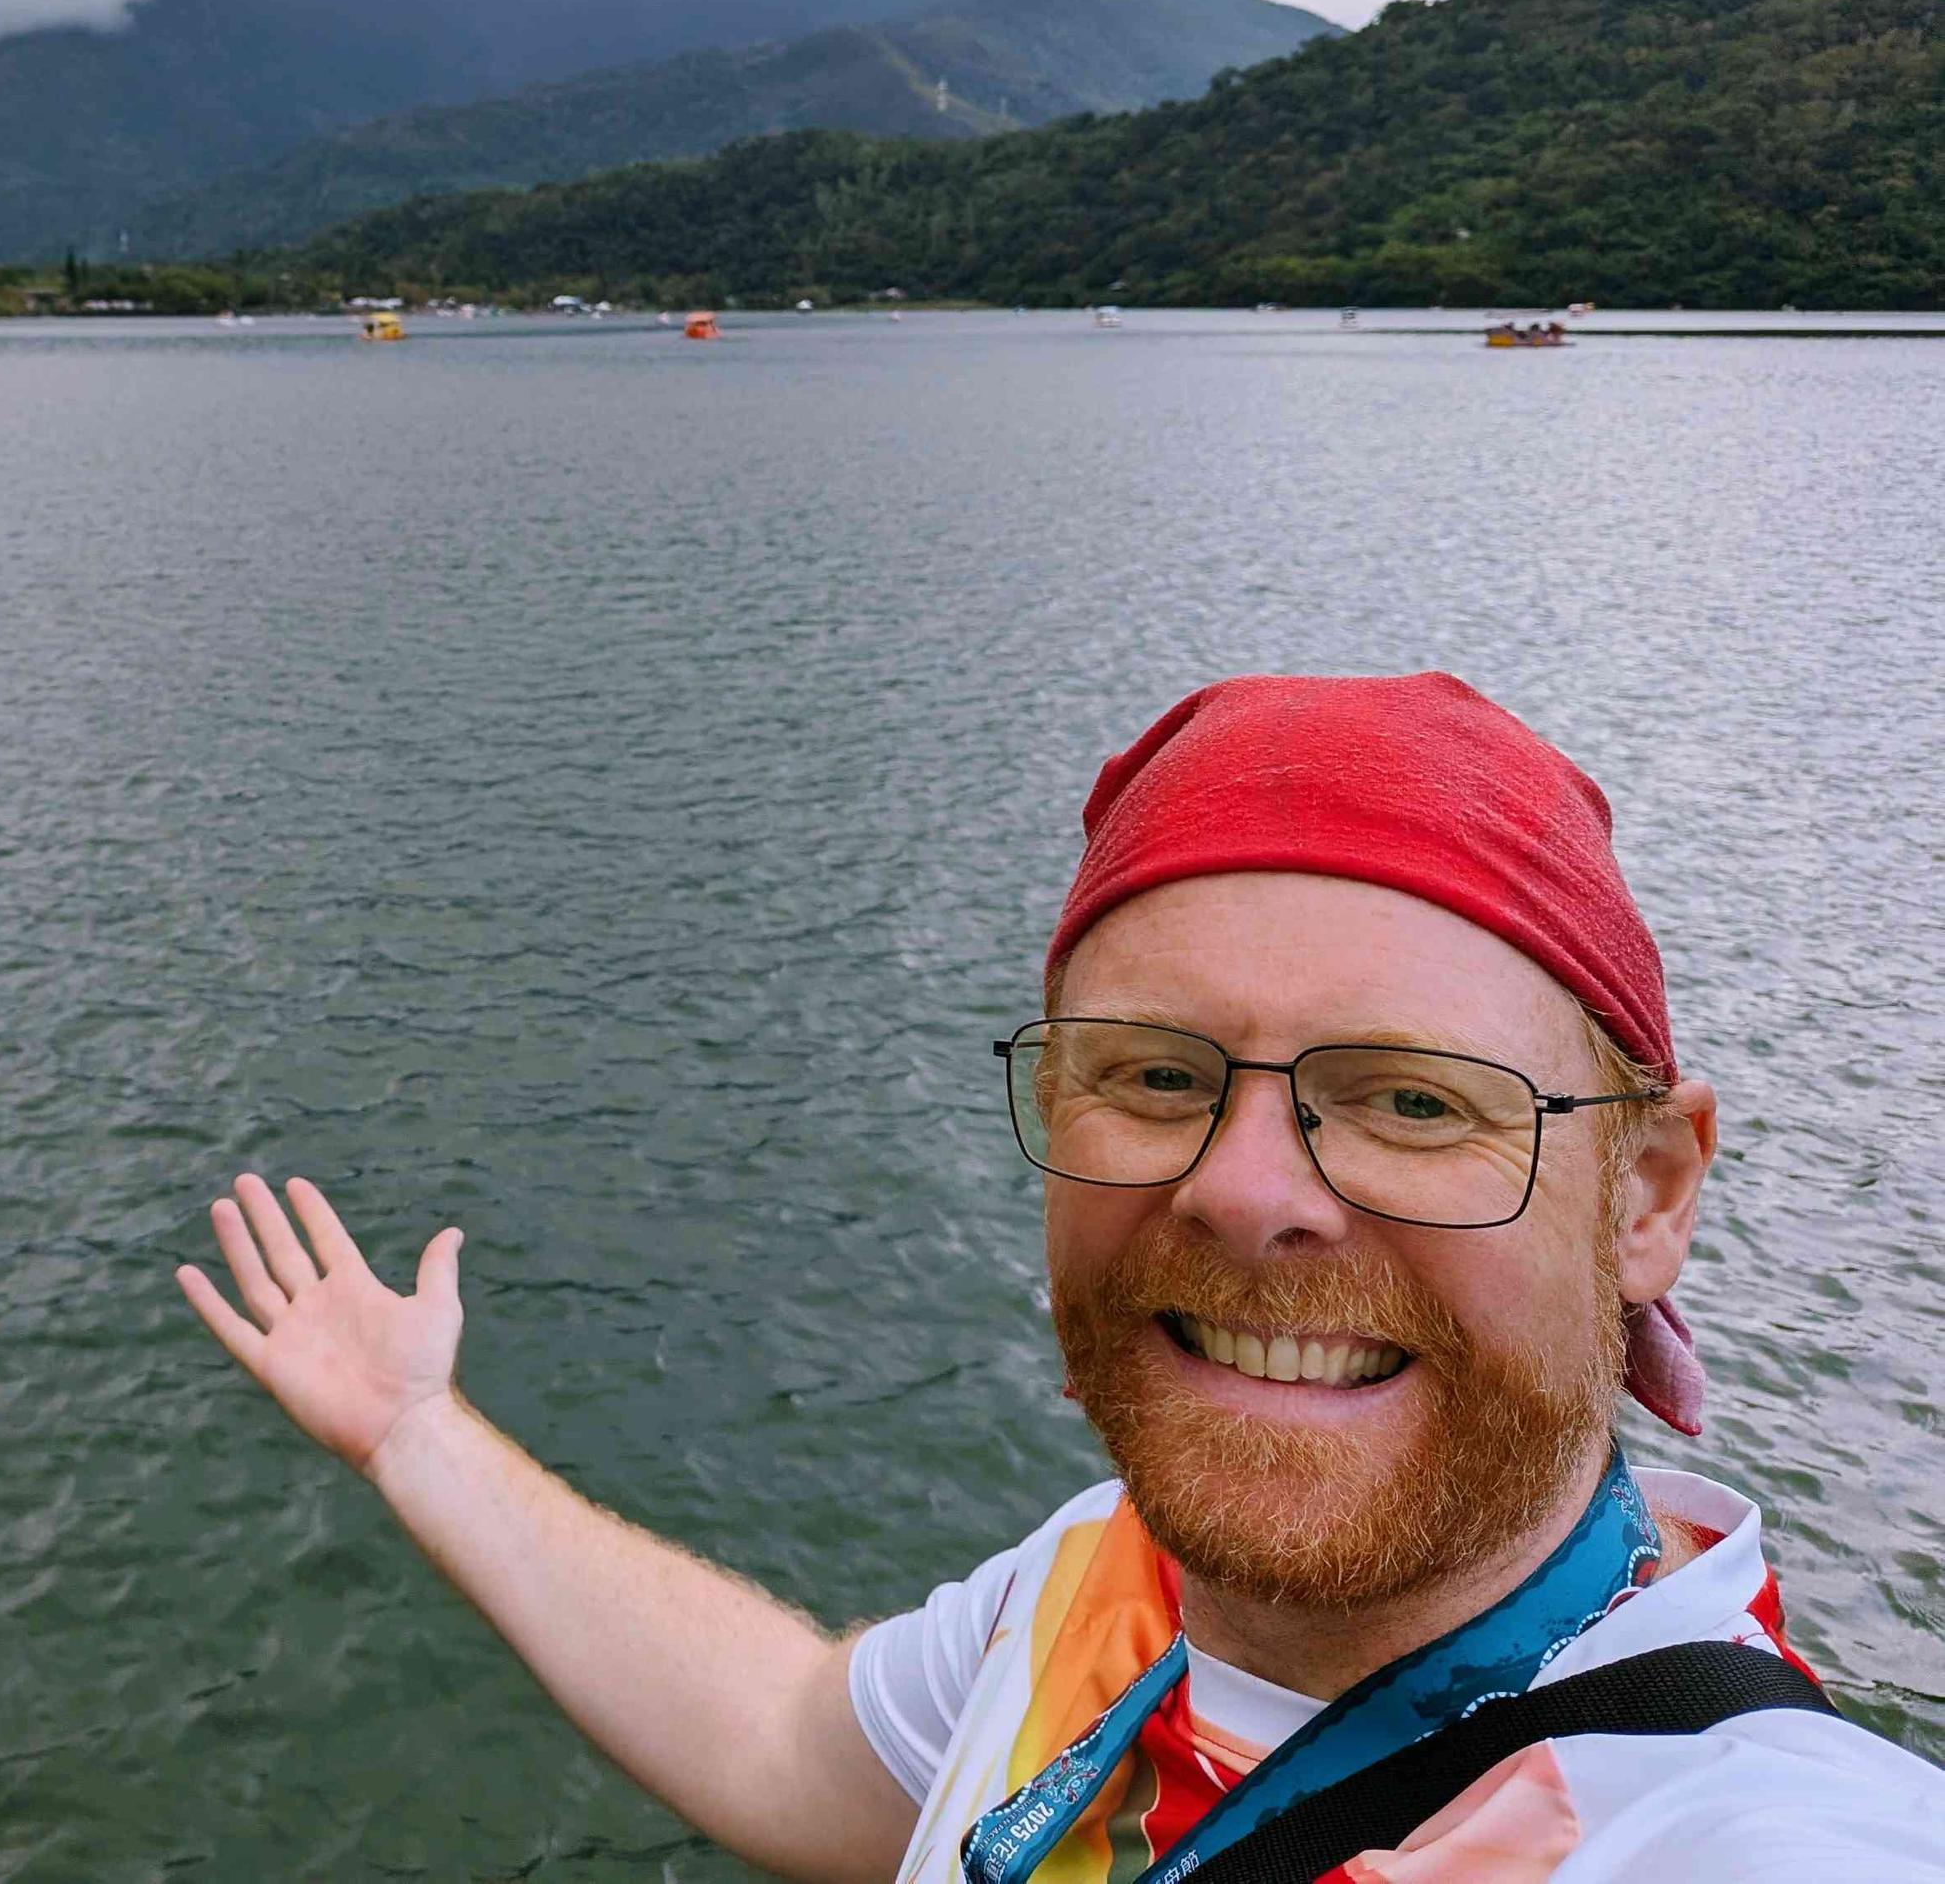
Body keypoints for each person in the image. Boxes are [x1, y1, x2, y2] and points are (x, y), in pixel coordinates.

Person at [177, 674, 1945, 1880]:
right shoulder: (1106, 1578)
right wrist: (417, 1431)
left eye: (1410, 1100)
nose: (1242, 1189)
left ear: (1647, 1193)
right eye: (1156, 1077)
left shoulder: (1739, 1823)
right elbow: (793, 1739)